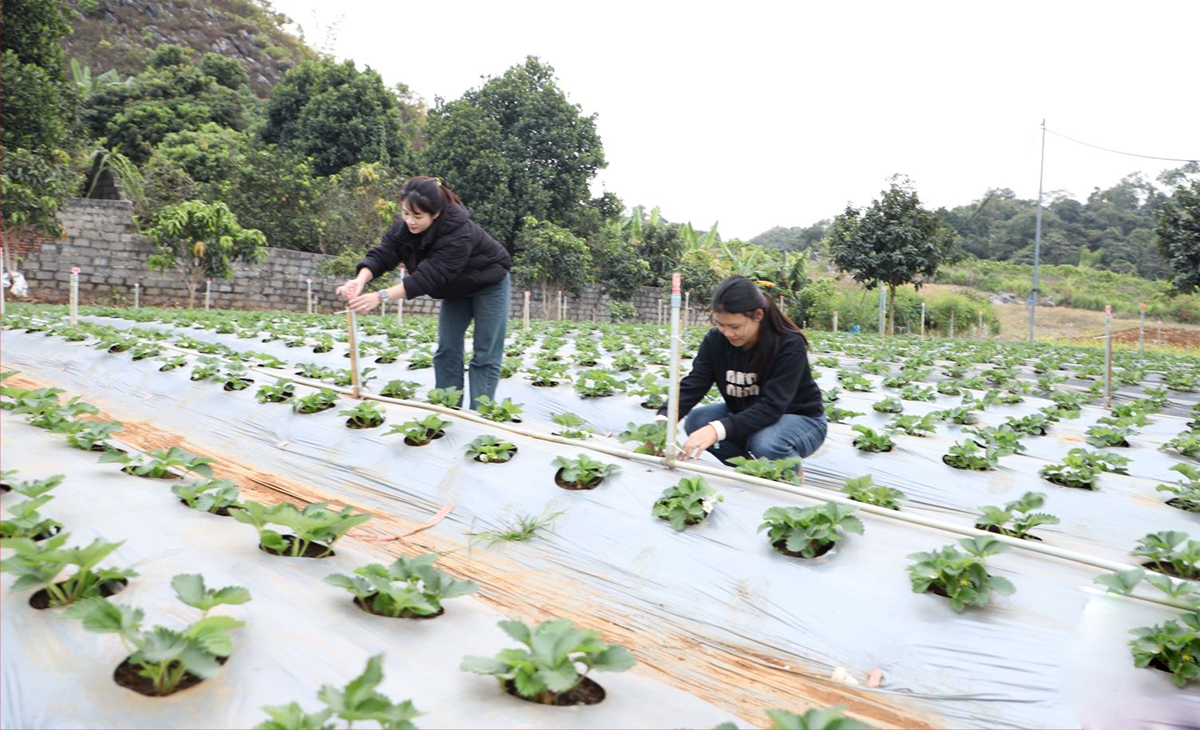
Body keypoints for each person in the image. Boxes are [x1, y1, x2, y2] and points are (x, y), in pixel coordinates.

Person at [337, 176, 512, 409]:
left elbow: (428, 278)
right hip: (455, 288)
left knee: (485, 352)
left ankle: (480, 414)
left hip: (490, 284)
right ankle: (449, 408)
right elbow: (383, 254)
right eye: (405, 213)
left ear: (436, 213)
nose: (410, 221)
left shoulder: (459, 234)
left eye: (417, 216)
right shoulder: (404, 228)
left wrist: (380, 296)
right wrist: (360, 280)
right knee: (447, 348)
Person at [659, 275, 826, 464]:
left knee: (765, 443)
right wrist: (664, 419)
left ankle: (790, 470)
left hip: (800, 419)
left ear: (758, 315)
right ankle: (749, 467)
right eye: (720, 325)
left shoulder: (788, 344)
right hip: (749, 413)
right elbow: (695, 383)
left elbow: (772, 407)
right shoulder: (715, 341)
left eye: (735, 326)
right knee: (697, 421)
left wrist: (717, 430)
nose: (728, 333)